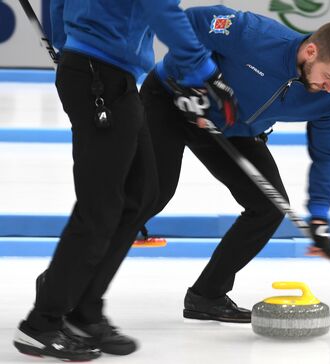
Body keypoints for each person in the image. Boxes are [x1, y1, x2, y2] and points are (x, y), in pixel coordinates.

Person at [13, 0, 237, 361]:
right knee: (100, 208)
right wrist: (205, 73)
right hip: (99, 73)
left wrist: (64, 39)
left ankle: (84, 312)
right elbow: (160, 8)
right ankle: (43, 322)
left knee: (143, 194)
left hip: (111, 75)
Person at [139, 5, 330, 324]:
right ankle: (69, 285)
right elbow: (190, 23)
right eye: (328, 76)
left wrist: (320, 217)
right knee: (153, 194)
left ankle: (207, 296)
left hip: (233, 127)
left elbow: (326, 154)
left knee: (270, 206)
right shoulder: (256, 35)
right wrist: (196, 77)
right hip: (173, 100)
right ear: (311, 51)